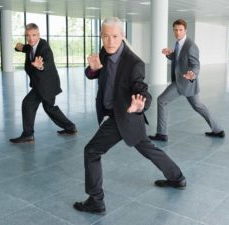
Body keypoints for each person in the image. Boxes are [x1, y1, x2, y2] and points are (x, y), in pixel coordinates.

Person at [73, 17, 186, 214]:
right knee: (147, 148)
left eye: (115, 36)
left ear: (122, 36)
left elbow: (142, 90)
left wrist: (139, 106)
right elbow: (96, 73)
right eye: (106, 36)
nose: (110, 41)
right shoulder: (104, 52)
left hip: (124, 115)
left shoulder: (134, 63)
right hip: (118, 114)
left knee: (91, 151)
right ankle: (177, 177)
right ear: (101, 36)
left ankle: (96, 200)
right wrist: (92, 70)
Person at [148, 19, 224, 142]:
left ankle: (162, 134)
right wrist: (169, 55)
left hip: (183, 82)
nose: (178, 32)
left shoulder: (191, 46)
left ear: (185, 30)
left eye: (180, 30)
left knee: (161, 100)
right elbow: (179, 60)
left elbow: (196, 65)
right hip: (184, 82)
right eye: (176, 30)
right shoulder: (179, 43)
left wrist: (192, 75)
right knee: (198, 106)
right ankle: (218, 130)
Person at [10, 23, 77, 143]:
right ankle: (70, 127)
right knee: (50, 108)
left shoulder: (44, 47)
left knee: (28, 104)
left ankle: (28, 134)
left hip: (46, 84)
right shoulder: (31, 45)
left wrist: (41, 66)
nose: (31, 38)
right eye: (28, 35)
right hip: (40, 83)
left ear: (39, 34)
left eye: (34, 35)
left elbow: (49, 62)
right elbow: (27, 48)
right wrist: (18, 48)